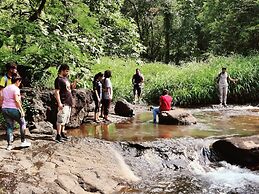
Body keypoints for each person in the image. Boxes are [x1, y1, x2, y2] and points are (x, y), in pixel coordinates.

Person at [0, 74, 31, 150]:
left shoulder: (5, 89)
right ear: (17, 81)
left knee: (9, 126)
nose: (20, 84)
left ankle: (9, 145)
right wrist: (22, 110)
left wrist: (2, 107)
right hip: (13, 109)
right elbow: (17, 100)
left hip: (5, 108)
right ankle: (23, 141)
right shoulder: (16, 88)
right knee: (23, 123)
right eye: (20, 82)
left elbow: (1, 99)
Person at [54, 64, 77, 142]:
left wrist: (75, 82)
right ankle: (58, 135)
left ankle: (62, 132)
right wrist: (59, 103)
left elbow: (71, 88)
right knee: (60, 119)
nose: (68, 73)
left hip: (68, 101)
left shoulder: (66, 79)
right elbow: (56, 92)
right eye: (66, 71)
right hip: (63, 102)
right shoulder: (58, 80)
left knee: (65, 119)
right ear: (62, 70)